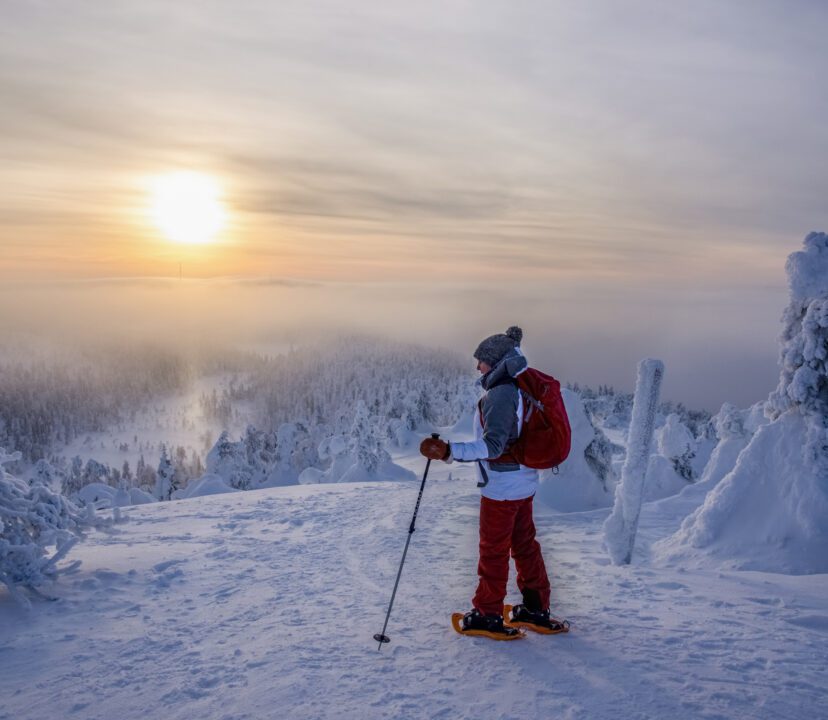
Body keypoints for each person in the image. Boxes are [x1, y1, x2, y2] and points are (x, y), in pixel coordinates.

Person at [420, 326, 557, 636]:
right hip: (522, 482)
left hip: (502, 487)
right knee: (524, 546)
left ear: (495, 363)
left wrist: (449, 452)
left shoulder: (501, 393)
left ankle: (487, 613)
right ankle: (536, 608)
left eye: (481, 361)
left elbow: (493, 446)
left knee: (493, 550)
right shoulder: (518, 387)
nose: (477, 367)